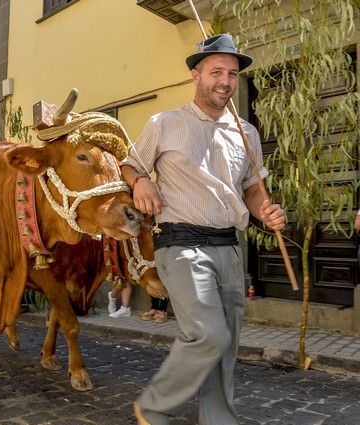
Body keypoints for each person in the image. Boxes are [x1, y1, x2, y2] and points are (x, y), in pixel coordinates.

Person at [122, 34, 286, 425]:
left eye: (232, 73)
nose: (225, 81)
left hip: (230, 246)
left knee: (224, 345)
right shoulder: (164, 123)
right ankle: (155, 405)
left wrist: (266, 211)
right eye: (216, 71)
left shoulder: (246, 132)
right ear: (196, 75)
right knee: (208, 334)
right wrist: (139, 182)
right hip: (181, 242)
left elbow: (250, 189)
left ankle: (219, 420)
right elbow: (131, 165)